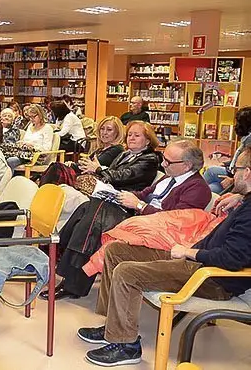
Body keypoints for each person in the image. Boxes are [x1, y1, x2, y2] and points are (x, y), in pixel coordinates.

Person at [77, 146, 251, 367]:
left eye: (236, 169)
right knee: (116, 251)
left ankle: (127, 346)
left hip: (211, 276)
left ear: (247, 173)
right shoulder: (245, 202)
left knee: (127, 273)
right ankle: (114, 327)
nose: (232, 175)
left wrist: (189, 252)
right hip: (197, 260)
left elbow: (232, 258)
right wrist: (240, 196)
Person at [45, 138, 212, 300]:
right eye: (164, 159)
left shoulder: (198, 189)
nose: (163, 164)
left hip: (153, 232)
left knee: (95, 217)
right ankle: (69, 275)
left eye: (168, 162)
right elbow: (145, 193)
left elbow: (175, 222)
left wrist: (140, 206)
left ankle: (59, 253)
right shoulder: (169, 177)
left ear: (187, 165)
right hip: (140, 219)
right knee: (90, 207)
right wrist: (121, 196)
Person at [38, 116, 125, 186]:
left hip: (95, 180)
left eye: (109, 130)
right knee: (55, 169)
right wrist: (72, 164)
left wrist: (72, 165)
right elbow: (84, 163)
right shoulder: (100, 149)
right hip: (84, 175)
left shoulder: (117, 149)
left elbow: (87, 165)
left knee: (56, 168)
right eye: (102, 129)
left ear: (117, 133)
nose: (104, 132)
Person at [203, 106, 251, 193]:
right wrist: (225, 164)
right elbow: (238, 160)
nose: (235, 125)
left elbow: (245, 166)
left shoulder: (249, 142)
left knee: (211, 171)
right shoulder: (246, 139)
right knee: (212, 188)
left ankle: (191, 192)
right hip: (233, 172)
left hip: (237, 177)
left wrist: (232, 179)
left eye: (238, 122)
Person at [5, 104, 54, 170]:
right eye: (30, 117)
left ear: (40, 115)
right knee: (4, 157)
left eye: (33, 117)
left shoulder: (47, 128)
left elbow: (46, 148)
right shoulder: (30, 126)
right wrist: (22, 142)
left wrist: (32, 145)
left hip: (37, 156)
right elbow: (25, 140)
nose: (31, 119)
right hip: (24, 153)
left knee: (11, 161)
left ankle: (11, 179)